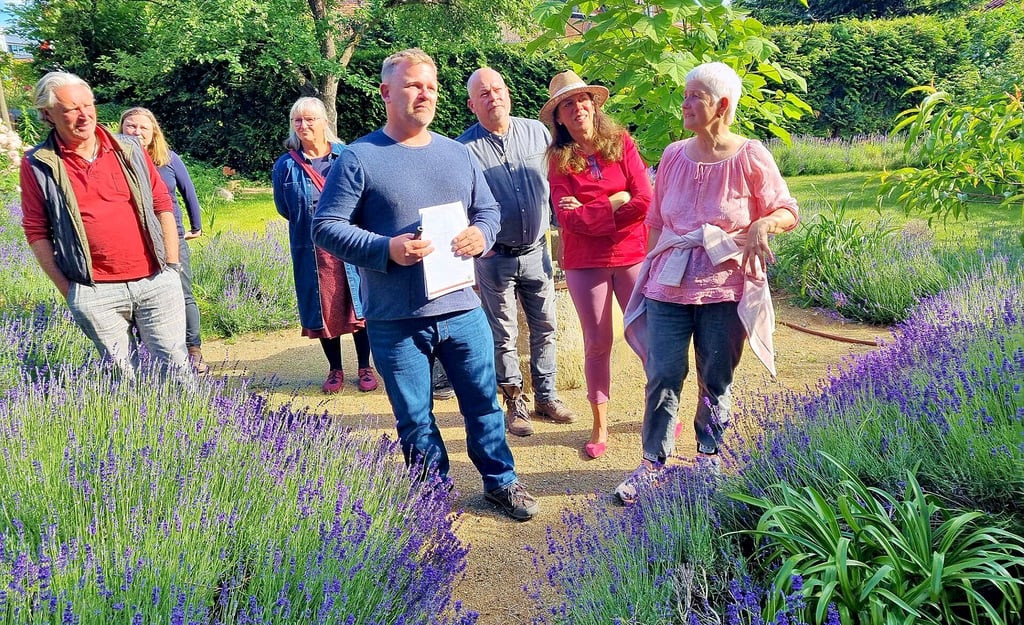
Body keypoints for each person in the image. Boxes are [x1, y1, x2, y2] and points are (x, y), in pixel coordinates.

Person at [311, 48, 540, 521]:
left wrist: (484, 234)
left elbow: (488, 210)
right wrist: (385, 249)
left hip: (462, 309)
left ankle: (501, 482)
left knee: (483, 405)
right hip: (395, 318)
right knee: (415, 419)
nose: (425, 93)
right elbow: (326, 225)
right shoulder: (360, 158)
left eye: (431, 86)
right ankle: (432, 495)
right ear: (386, 92)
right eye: (414, 85)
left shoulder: (456, 154)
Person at [616, 62, 799, 504]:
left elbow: (787, 209)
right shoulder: (675, 155)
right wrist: (650, 270)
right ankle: (652, 464)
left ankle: (709, 458)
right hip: (669, 284)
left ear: (722, 105)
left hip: (724, 287)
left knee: (716, 377)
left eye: (694, 96)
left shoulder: (750, 156)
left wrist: (763, 225)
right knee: (662, 374)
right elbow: (657, 221)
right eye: (686, 94)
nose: (685, 103)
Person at [20, 72, 189, 375]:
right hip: (94, 289)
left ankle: (188, 424)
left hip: (155, 280)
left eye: (88, 105)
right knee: (124, 379)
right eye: (72, 109)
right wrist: (69, 290)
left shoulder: (129, 148)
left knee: (176, 371)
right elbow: (36, 231)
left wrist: (172, 267)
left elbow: (162, 203)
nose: (84, 116)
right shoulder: (38, 163)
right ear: (48, 114)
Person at [456, 67, 577, 437]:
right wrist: (480, 246)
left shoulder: (537, 132)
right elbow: (461, 207)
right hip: (495, 260)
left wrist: (559, 227)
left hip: (538, 252)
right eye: (484, 93)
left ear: (508, 93)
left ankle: (547, 396)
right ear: (472, 104)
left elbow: (554, 181)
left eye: (499, 89)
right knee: (504, 333)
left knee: (545, 328)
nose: (494, 97)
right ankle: (514, 402)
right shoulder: (464, 150)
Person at [541, 70, 652, 459]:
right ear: (559, 118)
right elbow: (566, 218)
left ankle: (658, 411)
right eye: (566, 105)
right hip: (584, 261)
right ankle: (600, 423)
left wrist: (593, 210)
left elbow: (644, 199)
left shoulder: (622, 143)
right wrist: (614, 202)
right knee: (598, 343)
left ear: (594, 104)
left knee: (647, 337)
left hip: (630, 255)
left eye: (581, 100)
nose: (576, 108)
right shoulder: (559, 159)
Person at [272, 97, 378, 394]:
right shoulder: (286, 167)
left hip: (351, 243)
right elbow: (284, 208)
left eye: (310, 119)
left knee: (360, 307)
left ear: (324, 122)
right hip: (313, 249)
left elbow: (366, 197)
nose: (304, 125)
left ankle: (365, 366)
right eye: (298, 120)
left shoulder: (348, 156)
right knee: (324, 309)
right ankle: (335, 369)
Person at [119, 107, 208, 374]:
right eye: (131, 126)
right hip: (132, 237)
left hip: (170, 235)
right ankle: (150, 352)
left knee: (182, 291)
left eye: (143, 128)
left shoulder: (168, 158)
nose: (136, 132)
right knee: (141, 295)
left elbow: (188, 192)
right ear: (122, 128)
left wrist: (196, 225)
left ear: (153, 131)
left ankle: (193, 349)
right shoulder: (114, 159)